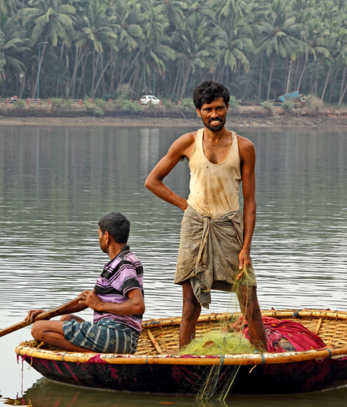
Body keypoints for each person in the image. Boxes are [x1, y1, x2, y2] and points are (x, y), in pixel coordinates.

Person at [144, 81, 267, 351]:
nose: (215, 115)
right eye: (208, 109)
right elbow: (153, 181)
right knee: (190, 306)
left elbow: (249, 202)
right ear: (198, 111)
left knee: (250, 303)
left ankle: (263, 361)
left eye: (220, 108)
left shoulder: (244, 147)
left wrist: (246, 248)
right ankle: (184, 361)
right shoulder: (188, 143)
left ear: (227, 108)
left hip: (229, 228)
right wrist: (185, 205)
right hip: (195, 228)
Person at [25, 212, 144, 354]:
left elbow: (137, 305)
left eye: (99, 234)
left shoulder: (124, 264)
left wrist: (101, 305)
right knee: (66, 318)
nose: (98, 238)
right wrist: (49, 314)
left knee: (38, 329)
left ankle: (95, 356)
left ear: (106, 237)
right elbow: (86, 301)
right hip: (111, 333)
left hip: (118, 336)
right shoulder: (118, 262)